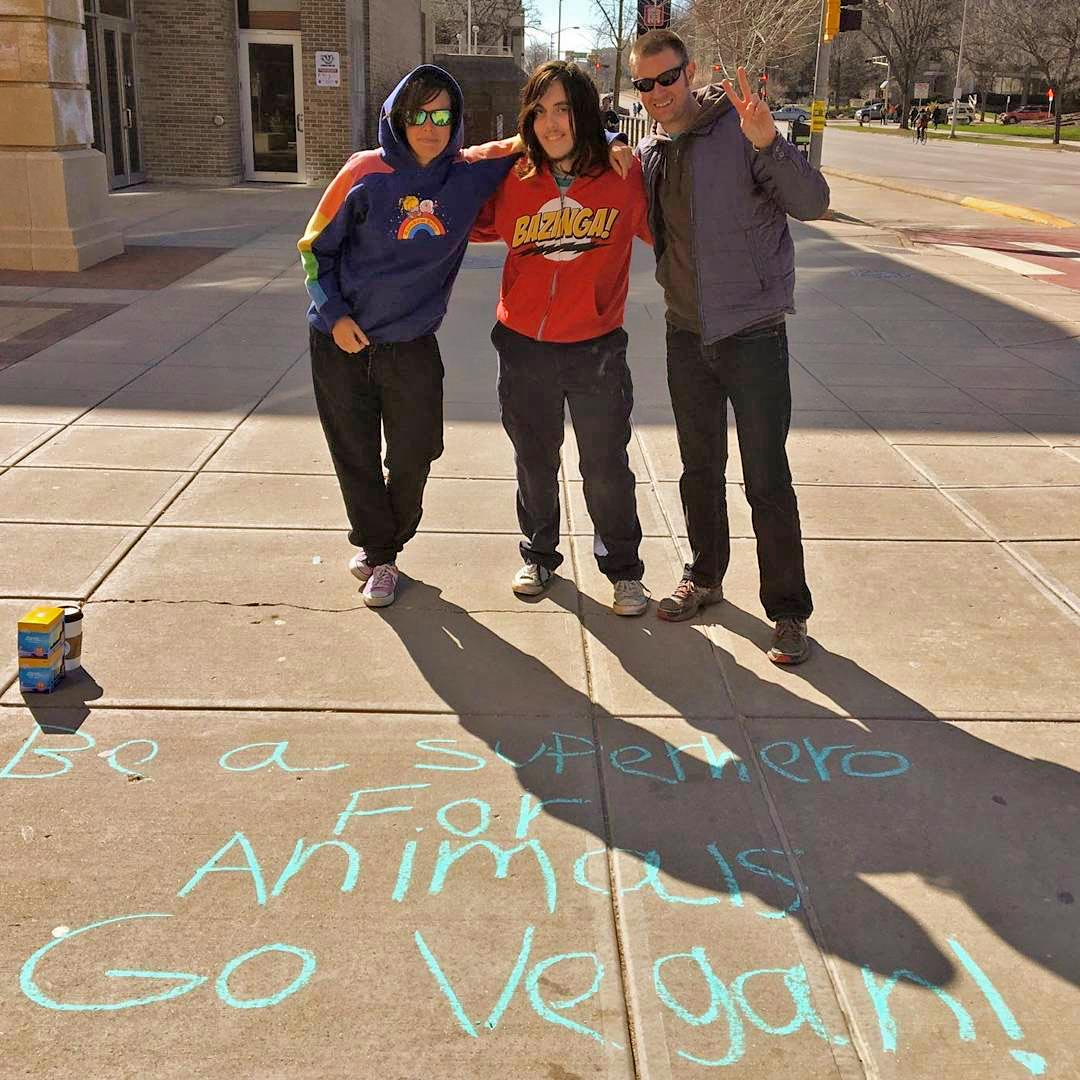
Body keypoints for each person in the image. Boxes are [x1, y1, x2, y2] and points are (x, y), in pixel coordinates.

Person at [629, 29, 829, 664]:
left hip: (754, 333)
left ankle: (789, 610)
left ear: (689, 74)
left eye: (667, 78)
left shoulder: (740, 133)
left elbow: (814, 202)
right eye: (644, 84)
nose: (658, 92)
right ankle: (707, 575)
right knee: (698, 469)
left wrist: (770, 141)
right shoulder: (656, 151)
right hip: (686, 334)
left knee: (767, 477)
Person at [297, 67, 525, 608]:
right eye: (418, 114)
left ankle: (382, 542)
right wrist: (334, 314)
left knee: (416, 450)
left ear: (456, 120)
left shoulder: (467, 173)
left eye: (442, 115)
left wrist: (612, 141)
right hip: (341, 341)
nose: (430, 126)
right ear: (397, 117)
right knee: (354, 451)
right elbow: (313, 249)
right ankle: (382, 555)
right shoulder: (364, 172)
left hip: (412, 344)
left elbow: (538, 135)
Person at [470, 61, 653, 616]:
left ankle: (623, 570)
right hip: (523, 342)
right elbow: (456, 167)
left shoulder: (623, 176)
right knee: (534, 458)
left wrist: (618, 141)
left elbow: (669, 229)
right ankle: (540, 554)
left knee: (604, 464)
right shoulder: (514, 177)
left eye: (564, 110)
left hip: (596, 345)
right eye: (540, 112)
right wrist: (511, 144)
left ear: (587, 115)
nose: (552, 125)